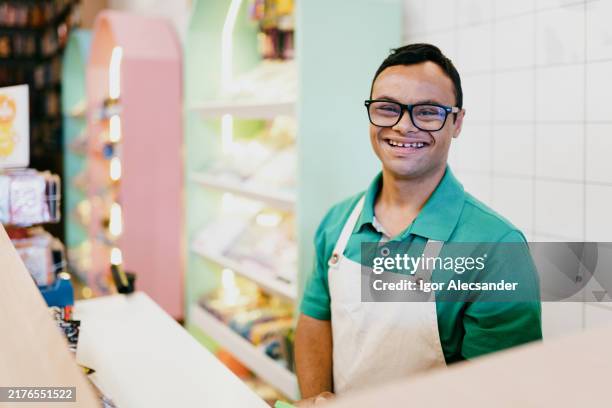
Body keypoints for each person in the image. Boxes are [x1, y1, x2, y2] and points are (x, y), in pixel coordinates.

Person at [294, 43, 542, 406]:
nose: (403, 125)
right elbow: (315, 320)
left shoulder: (496, 247)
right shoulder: (338, 222)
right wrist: (315, 398)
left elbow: (500, 393)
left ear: (457, 122)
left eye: (427, 112)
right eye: (387, 109)